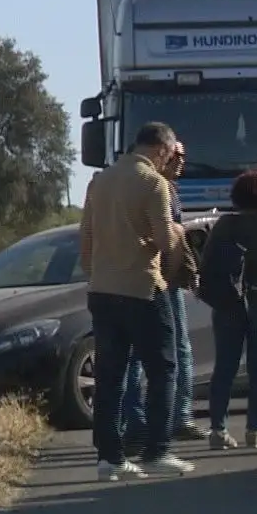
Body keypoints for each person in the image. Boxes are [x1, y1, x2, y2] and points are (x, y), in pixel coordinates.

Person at [77, 121, 195, 479]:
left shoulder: (100, 181)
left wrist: (96, 270)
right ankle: (157, 450)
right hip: (143, 288)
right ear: (162, 150)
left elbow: (86, 237)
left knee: (109, 376)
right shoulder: (153, 183)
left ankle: (109, 459)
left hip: (102, 289)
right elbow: (165, 239)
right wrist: (179, 266)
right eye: (170, 155)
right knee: (163, 369)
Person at [122, 140, 203, 454]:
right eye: (176, 156)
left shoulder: (165, 189)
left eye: (183, 156)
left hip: (158, 279)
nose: (181, 162)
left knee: (160, 352)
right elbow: (167, 238)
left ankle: (150, 420)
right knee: (168, 351)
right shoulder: (157, 189)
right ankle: (163, 419)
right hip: (158, 281)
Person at [203, 169, 257, 449]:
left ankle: (218, 430)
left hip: (230, 299)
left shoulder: (225, 224)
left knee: (225, 366)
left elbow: (210, 259)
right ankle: (254, 430)